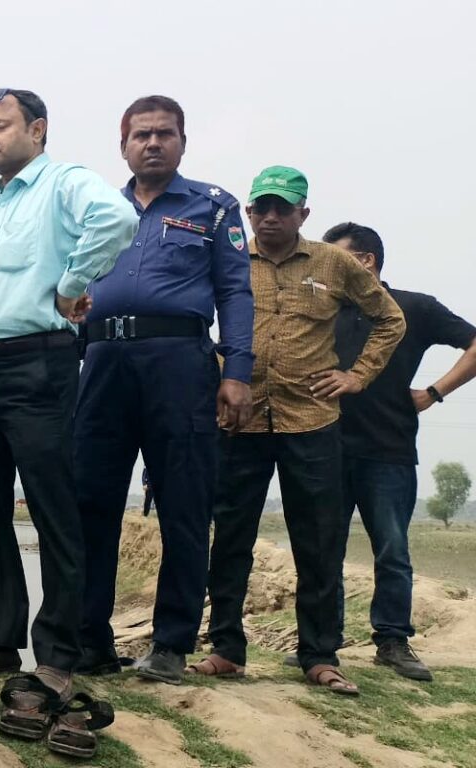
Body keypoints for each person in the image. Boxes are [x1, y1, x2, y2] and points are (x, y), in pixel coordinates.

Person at [0, 86, 136, 747]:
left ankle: (56, 657)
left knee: (53, 511)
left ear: (38, 129)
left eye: (1, 126)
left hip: (36, 364)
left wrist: (72, 285)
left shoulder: (62, 183)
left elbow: (115, 219)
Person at [193, 167, 404, 696]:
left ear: (302, 214)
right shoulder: (227, 258)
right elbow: (193, 319)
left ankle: (319, 654)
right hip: (239, 420)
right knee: (231, 536)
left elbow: (390, 319)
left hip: (311, 421)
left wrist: (357, 376)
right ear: (248, 212)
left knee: (318, 541)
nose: (270, 217)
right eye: (261, 207)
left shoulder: (334, 262)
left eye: (282, 208)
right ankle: (226, 648)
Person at [74, 96, 254, 685]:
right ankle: (90, 642)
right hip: (101, 361)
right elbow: (68, 282)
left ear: (182, 141)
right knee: (91, 503)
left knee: (184, 504)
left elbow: (235, 291)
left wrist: (237, 371)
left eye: (165, 134)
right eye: (142, 135)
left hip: (178, 363)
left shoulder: (213, 206)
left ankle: (171, 645)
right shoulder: (98, 208)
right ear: (123, 145)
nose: (153, 143)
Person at [327, 221, 476, 681]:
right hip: (324, 448)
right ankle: (321, 644)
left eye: (337, 259)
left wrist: (434, 392)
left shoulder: (413, 307)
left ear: (366, 261)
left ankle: (392, 641)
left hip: (389, 450)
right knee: (324, 550)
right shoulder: (322, 309)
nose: (328, 269)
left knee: (392, 551)